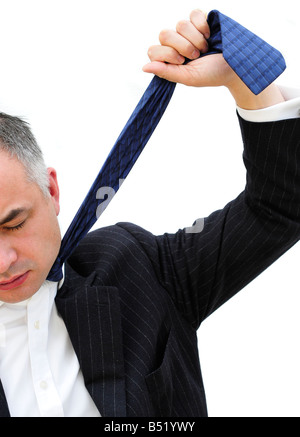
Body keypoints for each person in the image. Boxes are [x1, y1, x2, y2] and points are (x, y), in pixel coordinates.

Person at [0, 9, 299, 417]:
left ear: (51, 190)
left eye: (14, 223)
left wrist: (239, 77)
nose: (4, 261)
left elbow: (278, 207)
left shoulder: (139, 267)